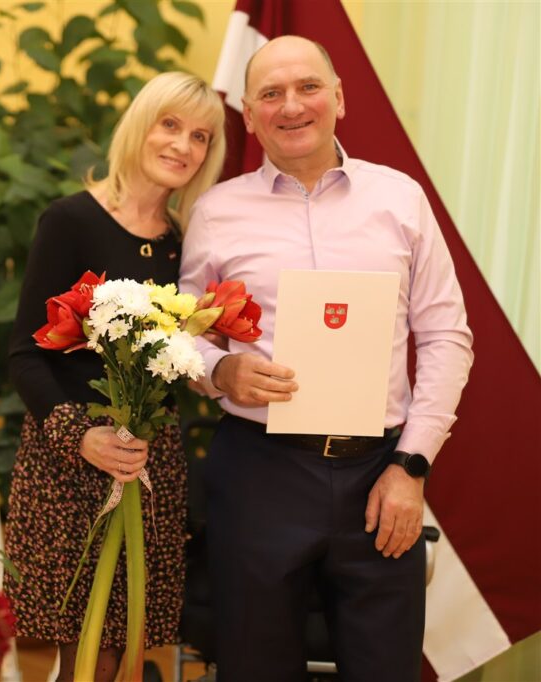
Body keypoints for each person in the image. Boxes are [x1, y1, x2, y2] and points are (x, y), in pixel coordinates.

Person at [179, 36, 473, 681]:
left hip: (381, 473)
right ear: (250, 114)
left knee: (385, 669)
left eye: (308, 87)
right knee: (255, 670)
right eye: (271, 94)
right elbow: (181, 335)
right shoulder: (216, 212)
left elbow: (446, 336)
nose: (292, 106)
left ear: (339, 98)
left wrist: (411, 465)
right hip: (258, 472)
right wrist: (220, 371)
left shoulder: (401, 200)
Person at [4, 71, 226, 681]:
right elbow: (24, 353)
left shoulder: (187, 242)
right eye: (170, 125)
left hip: (150, 465)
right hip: (69, 462)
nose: (183, 145)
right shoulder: (70, 220)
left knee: (119, 653)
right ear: (140, 126)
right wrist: (80, 436)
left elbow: (187, 354)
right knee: (79, 652)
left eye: (201, 136)